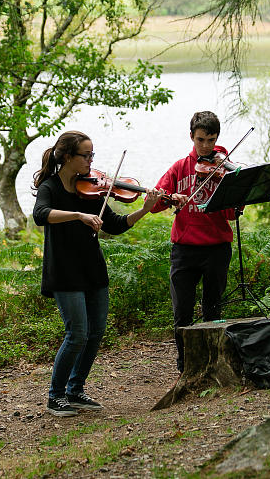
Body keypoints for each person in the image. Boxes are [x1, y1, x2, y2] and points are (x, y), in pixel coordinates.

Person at [32, 130, 160, 417]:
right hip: (64, 271)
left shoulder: (89, 189)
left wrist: (144, 209)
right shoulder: (50, 188)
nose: (91, 161)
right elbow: (41, 214)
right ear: (67, 157)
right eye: (86, 155)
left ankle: (75, 391)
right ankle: (55, 396)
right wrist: (78, 216)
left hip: (92, 268)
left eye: (93, 155)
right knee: (77, 333)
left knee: (95, 333)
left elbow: (113, 224)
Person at [151, 111, 238, 373]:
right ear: (191, 137)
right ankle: (185, 366)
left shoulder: (224, 168)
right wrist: (166, 198)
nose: (206, 147)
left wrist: (233, 194)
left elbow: (231, 215)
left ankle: (212, 364)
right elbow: (155, 206)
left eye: (211, 140)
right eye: (201, 140)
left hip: (216, 248)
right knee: (182, 313)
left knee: (213, 310)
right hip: (184, 250)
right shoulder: (179, 168)